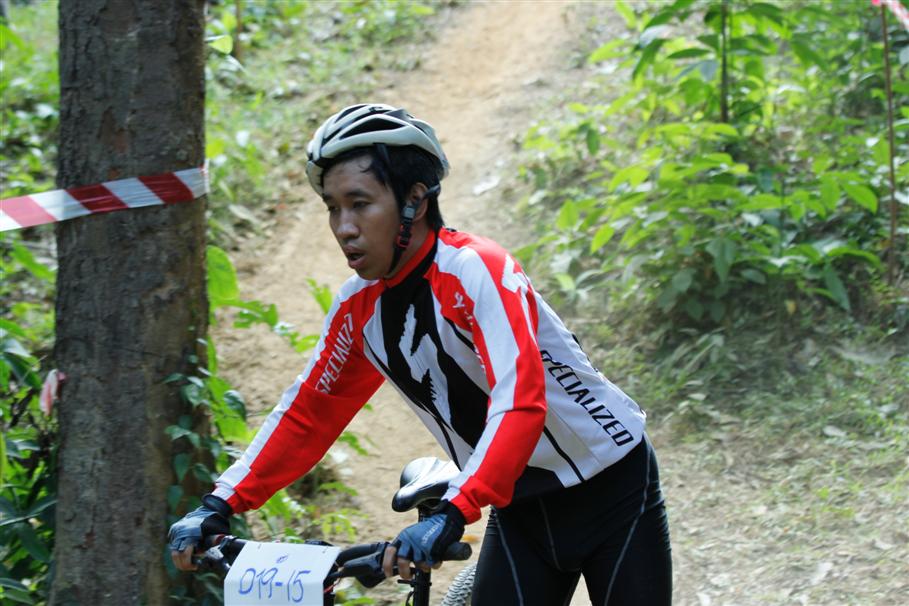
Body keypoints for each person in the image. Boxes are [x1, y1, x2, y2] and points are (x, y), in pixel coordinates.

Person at [169, 103, 672, 604]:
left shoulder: (476, 270)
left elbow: (520, 400)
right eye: (332, 207)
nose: (344, 227)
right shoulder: (358, 308)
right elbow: (308, 414)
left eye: (360, 204)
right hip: (521, 508)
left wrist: (455, 511)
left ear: (415, 200)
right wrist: (219, 502)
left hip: (611, 486)